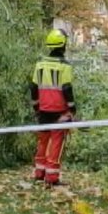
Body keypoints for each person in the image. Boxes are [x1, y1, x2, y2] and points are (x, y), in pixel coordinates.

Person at [29, 28, 76, 186]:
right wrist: (72, 109)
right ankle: (52, 177)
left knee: (42, 141)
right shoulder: (65, 66)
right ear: (63, 45)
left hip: (43, 110)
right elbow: (66, 88)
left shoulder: (40, 64)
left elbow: (33, 87)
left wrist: (36, 106)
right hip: (60, 111)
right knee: (56, 142)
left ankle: (39, 172)